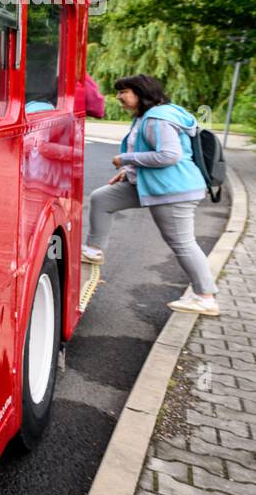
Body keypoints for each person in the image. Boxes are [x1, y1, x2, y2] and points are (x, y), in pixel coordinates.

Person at [81, 74, 220, 316]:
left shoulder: (158, 119)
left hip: (173, 190)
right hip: (150, 184)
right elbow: (147, 151)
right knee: (103, 198)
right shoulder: (146, 116)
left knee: (182, 243)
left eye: (124, 91)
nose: (119, 97)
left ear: (140, 92)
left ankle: (204, 297)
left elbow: (168, 155)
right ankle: (94, 249)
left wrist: (125, 159)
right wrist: (128, 170)